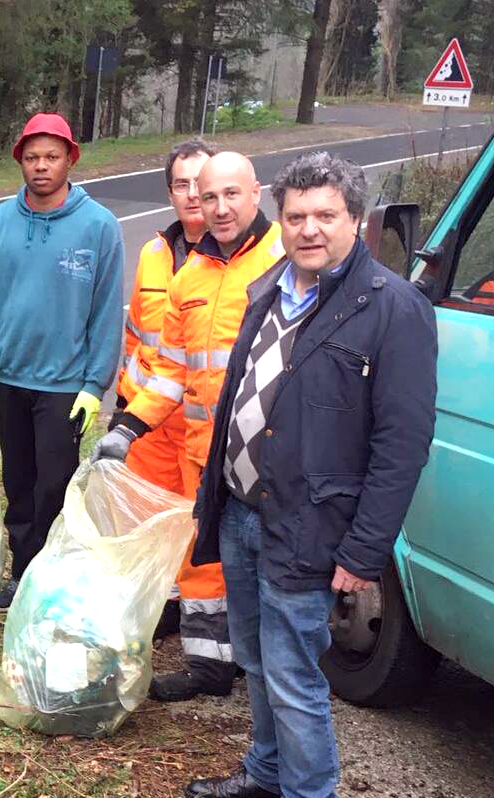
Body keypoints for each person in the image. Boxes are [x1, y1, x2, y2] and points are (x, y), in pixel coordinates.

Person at [182, 153, 438, 798]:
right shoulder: (270, 288)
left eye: (325, 215)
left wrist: (363, 551)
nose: (309, 229)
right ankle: (266, 771)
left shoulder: (392, 309)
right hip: (242, 510)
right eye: (295, 216)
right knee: (255, 658)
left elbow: (402, 445)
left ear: (355, 220)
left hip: (309, 527)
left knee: (294, 673)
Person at [94, 151, 284, 701]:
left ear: (256, 193)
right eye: (209, 197)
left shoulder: (282, 260)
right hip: (204, 452)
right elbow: (171, 373)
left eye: (231, 195)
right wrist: (127, 428)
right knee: (202, 558)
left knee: (264, 571)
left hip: (266, 458)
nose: (220, 208)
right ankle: (209, 665)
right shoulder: (190, 275)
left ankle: (268, 674)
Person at [0, 112, 124, 610]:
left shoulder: (99, 227)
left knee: (54, 486)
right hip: (9, 377)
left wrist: (94, 385)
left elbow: (106, 311)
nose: (42, 166)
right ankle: (24, 572)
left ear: (70, 159)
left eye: (52, 156)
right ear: (20, 162)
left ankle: (52, 573)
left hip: (64, 385)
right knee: (19, 482)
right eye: (32, 157)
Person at [114, 139, 216, 638]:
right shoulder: (153, 254)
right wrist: (124, 403)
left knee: (198, 528)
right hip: (149, 418)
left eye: (201, 184)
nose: (192, 194)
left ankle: (207, 634)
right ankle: (162, 606)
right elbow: (136, 332)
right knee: (149, 519)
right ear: (170, 193)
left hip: (201, 423)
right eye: (181, 184)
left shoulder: (238, 258)